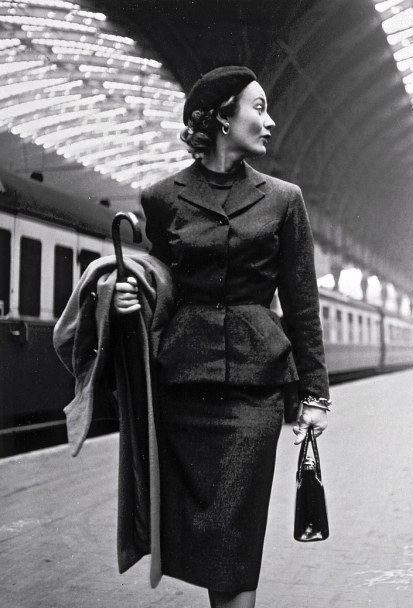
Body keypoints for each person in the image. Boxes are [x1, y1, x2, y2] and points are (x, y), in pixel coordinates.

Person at [113, 66, 330, 607]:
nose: (269, 120)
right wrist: (127, 304)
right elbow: (161, 286)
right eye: (257, 107)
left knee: (235, 539)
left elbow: (302, 303)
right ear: (220, 118)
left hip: (255, 392)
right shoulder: (161, 199)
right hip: (183, 388)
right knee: (206, 540)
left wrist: (315, 394)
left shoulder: (284, 200)